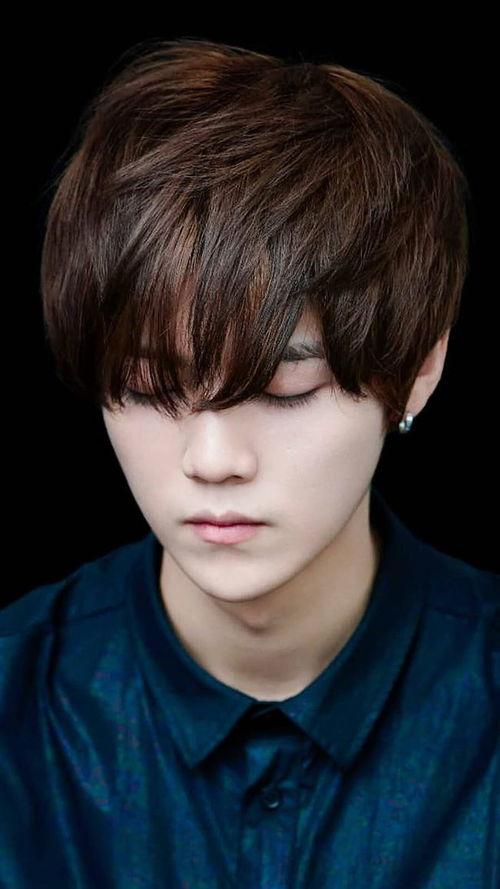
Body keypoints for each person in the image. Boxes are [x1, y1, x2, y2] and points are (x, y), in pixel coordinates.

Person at [1, 37, 498, 888]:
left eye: (284, 388)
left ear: (419, 365)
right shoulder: (17, 701)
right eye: (150, 387)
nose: (213, 459)